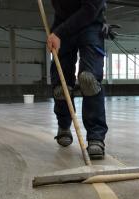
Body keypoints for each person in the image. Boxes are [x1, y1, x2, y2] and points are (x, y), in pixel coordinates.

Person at [48, 0, 108, 160]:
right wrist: (56, 32)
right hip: (62, 24)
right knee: (61, 86)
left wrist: (58, 32)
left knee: (89, 80)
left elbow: (90, 9)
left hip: (91, 22)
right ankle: (64, 125)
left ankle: (96, 137)